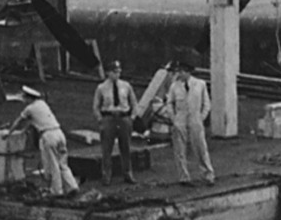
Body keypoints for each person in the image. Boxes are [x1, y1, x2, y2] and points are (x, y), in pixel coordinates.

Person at [152, 54, 215, 184]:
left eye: (181, 71)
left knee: (201, 148)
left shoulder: (200, 84)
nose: (179, 74)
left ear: (188, 72)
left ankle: (208, 175)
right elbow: (170, 103)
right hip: (180, 118)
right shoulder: (175, 86)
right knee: (180, 150)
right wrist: (174, 118)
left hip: (195, 119)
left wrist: (201, 117)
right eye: (178, 71)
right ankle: (184, 177)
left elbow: (207, 104)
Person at [16, 85, 75, 195]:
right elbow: (32, 123)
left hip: (48, 135)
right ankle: (72, 186)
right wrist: (24, 130)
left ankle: (57, 191)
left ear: (29, 98)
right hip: (59, 133)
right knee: (63, 163)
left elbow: (18, 121)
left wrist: (9, 133)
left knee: (53, 164)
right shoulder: (43, 104)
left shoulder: (30, 108)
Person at [91, 56, 139, 185]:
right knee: (107, 149)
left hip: (124, 117)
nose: (116, 74)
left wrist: (132, 117)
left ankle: (128, 174)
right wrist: (100, 120)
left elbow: (134, 102)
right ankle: (106, 175)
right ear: (108, 72)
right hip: (109, 117)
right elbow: (96, 106)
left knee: (126, 147)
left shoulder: (126, 86)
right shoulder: (101, 88)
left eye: (118, 71)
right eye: (114, 71)